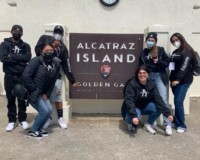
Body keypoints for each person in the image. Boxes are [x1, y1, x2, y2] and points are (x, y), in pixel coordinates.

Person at [35, 25, 80, 129]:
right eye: (56, 32)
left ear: (63, 34)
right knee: (43, 97)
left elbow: (66, 65)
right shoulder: (44, 38)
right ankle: (48, 118)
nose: (58, 34)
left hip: (55, 76)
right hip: (42, 75)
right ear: (53, 32)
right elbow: (37, 51)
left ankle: (60, 118)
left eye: (60, 33)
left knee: (58, 97)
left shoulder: (63, 48)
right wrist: (51, 45)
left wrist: (72, 81)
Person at [21, 43, 61, 139]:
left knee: (49, 110)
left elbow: (52, 82)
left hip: (43, 93)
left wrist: (46, 94)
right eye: (47, 50)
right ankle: (33, 131)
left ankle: (38, 129)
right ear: (41, 51)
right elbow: (26, 76)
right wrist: (34, 89)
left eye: (51, 50)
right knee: (43, 111)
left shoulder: (54, 64)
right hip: (34, 92)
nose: (50, 52)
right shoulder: (36, 61)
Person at [121, 65, 173, 135]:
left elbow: (158, 99)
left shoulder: (151, 84)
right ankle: (131, 123)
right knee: (134, 117)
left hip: (145, 106)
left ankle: (148, 124)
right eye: (140, 73)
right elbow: (129, 101)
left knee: (158, 107)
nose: (142, 75)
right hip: (135, 107)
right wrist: (134, 116)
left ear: (148, 74)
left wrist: (168, 114)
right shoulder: (132, 84)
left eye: (144, 73)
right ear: (137, 74)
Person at [138, 32, 172, 135]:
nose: (150, 42)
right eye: (149, 40)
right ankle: (151, 122)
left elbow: (168, 63)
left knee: (163, 99)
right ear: (146, 41)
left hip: (159, 76)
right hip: (148, 77)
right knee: (150, 99)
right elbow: (140, 65)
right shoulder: (143, 52)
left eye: (152, 41)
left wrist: (159, 62)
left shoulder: (160, 50)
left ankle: (167, 124)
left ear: (155, 41)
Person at [0, 24, 32, 132]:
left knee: (22, 98)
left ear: (22, 33)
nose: (17, 32)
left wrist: (12, 56)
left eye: (19, 31)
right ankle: (12, 121)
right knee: (10, 99)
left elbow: (27, 57)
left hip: (21, 77)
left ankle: (22, 119)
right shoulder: (4, 44)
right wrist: (19, 60)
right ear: (11, 31)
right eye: (15, 31)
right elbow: (3, 58)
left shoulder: (25, 46)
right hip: (9, 76)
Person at [169, 33, 194, 133]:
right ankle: (176, 120)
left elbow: (184, 67)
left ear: (181, 39)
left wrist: (178, 79)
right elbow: (172, 66)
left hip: (183, 81)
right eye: (173, 41)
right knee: (178, 102)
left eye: (176, 40)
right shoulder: (175, 52)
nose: (175, 42)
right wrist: (171, 78)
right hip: (174, 81)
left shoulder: (187, 51)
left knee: (178, 102)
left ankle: (182, 125)